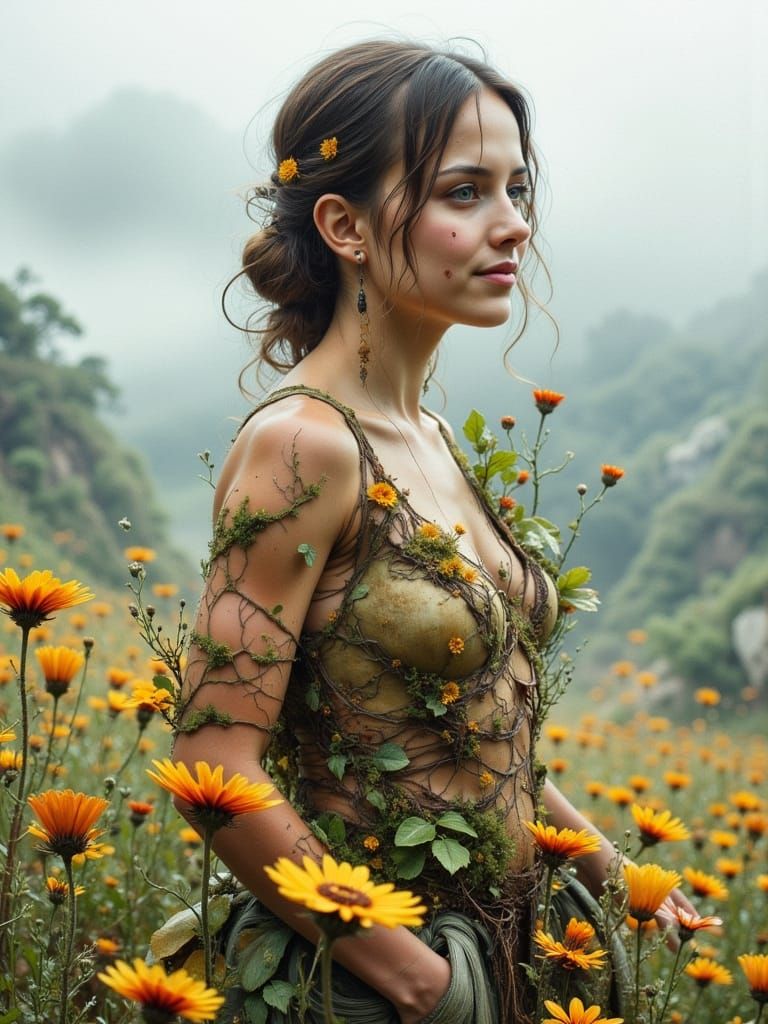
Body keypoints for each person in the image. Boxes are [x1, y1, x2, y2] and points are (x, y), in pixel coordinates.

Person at [171, 39, 697, 1023]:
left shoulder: (435, 440)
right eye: (466, 193)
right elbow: (215, 763)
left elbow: (475, 741)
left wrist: (617, 873)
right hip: (369, 982)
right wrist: (417, 979)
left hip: (509, 955)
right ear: (345, 225)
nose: (514, 226)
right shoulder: (304, 444)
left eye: (518, 188)